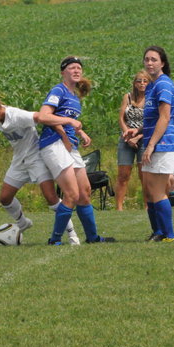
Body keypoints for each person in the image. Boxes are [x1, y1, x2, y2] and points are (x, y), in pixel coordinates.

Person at [0, 94, 81, 245]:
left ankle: (72, 235)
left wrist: (67, 125)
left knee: (51, 199)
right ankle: (23, 223)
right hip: (19, 161)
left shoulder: (16, 115)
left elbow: (42, 117)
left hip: (36, 158)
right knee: (5, 198)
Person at [39, 56, 115, 245]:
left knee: (84, 191)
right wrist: (70, 122)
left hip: (70, 146)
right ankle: (55, 240)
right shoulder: (58, 90)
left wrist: (80, 132)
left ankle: (92, 237)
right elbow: (43, 116)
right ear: (63, 72)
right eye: (72, 68)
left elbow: (67, 120)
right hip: (54, 144)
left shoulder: (74, 96)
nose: (76, 70)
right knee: (72, 194)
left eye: (79, 68)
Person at [124, 46, 174, 242]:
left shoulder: (164, 84)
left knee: (157, 191)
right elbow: (153, 118)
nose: (149, 63)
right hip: (152, 142)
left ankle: (169, 235)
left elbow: (164, 118)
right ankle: (157, 232)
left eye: (154, 59)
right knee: (148, 191)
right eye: (147, 59)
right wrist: (138, 131)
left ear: (162, 63)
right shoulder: (151, 86)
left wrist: (150, 146)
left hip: (163, 144)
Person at [115, 70, 149, 210]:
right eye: (139, 81)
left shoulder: (151, 98)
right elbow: (121, 118)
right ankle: (119, 208)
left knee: (144, 175)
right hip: (126, 138)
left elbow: (153, 121)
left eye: (145, 81)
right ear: (134, 83)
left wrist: (138, 136)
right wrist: (127, 134)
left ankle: (147, 206)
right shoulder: (128, 97)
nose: (142, 84)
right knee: (123, 175)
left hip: (144, 138)